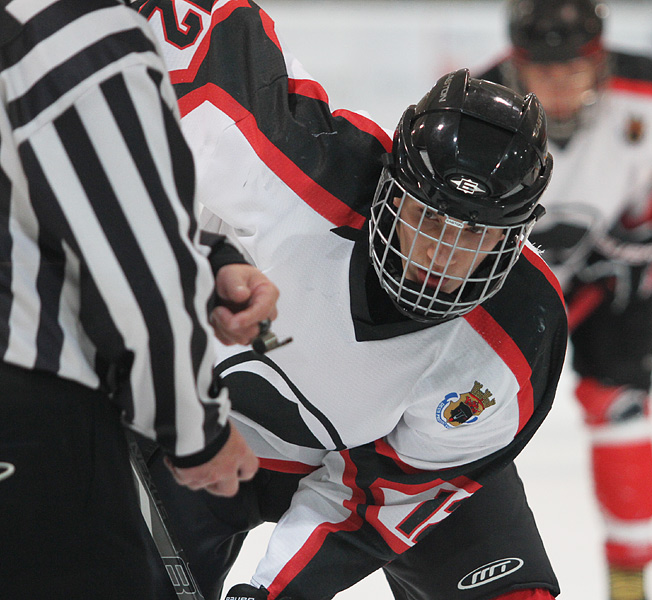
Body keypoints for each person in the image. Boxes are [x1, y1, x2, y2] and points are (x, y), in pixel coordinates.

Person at [137, 1, 569, 599]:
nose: (438, 254)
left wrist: (271, 592)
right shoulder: (295, 168)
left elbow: (376, 501)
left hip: (388, 464)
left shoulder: (514, 341)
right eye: (427, 218)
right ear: (388, 190)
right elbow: (189, 40)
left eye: (472, 233)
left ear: (514, 240)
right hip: (207, 440)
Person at [0, 1, 274, 596]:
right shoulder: (74, 27)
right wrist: (194, 430)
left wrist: (208, 260)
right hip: (32, 415)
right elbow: (136, 266)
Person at [477, 1, 652, 598]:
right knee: (468, 418)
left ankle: (629, 579)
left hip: (616, 275)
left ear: (600, 61)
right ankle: (471, 573)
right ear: (515, 65)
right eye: (543, 70)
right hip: (506, 279)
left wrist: (640, 230)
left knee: (620, 410)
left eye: (574, 68)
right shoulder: (478, 109)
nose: (559, 85)